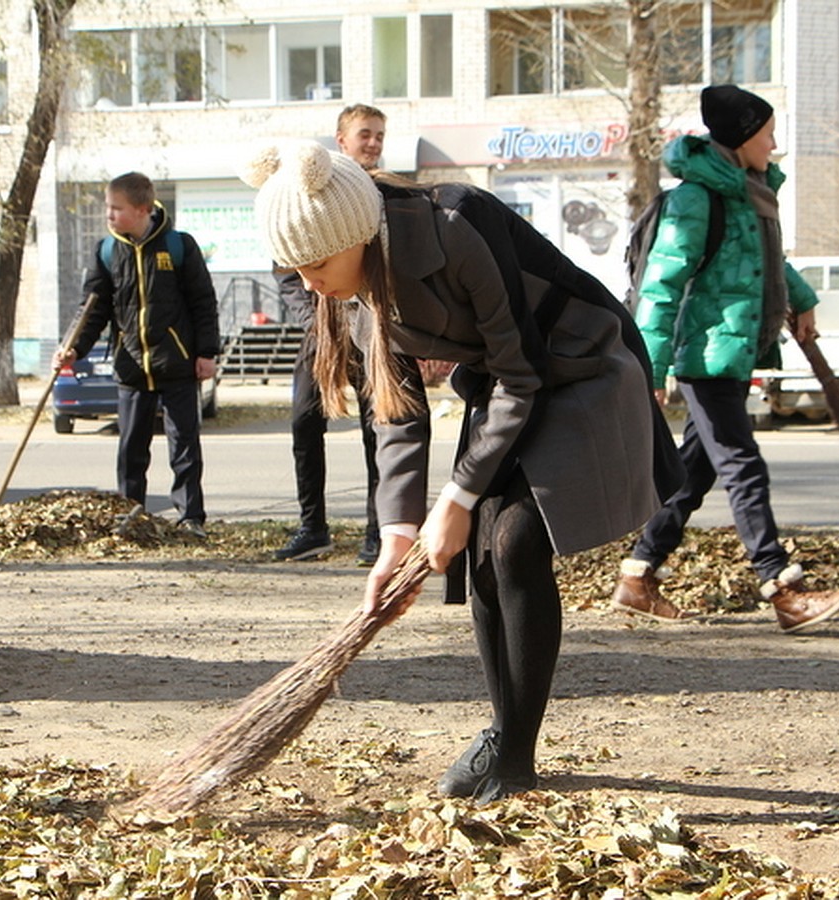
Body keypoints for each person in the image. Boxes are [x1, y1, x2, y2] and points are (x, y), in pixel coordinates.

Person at [240, 140, 682, 803]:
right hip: (513, 386)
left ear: (353, 233)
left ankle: (516, 754)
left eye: (316, 263)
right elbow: (396, 413)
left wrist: (460, 492)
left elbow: (520, 368)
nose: (309, 283)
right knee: (479, 552)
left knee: (513, 541)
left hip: (578, 363)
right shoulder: (355, 289)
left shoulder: (455, 223)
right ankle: (505, 736)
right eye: (293, 267)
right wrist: (397, 533)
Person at [611, 84, 839, 634]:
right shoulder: (697, 199)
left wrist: (803, 300)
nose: (774, 144)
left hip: (731, 350)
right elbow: (660, 287)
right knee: (743, 466)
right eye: (767, 134)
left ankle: (638, 574)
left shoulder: (748, 192)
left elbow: (766, 262)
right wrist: (653, 366)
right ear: (744, 137)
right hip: (705, 354)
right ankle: (782, 588)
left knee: (694, 473)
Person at [53, 172, 220, 538]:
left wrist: (207, 352)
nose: (109, 215)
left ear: (143, 209)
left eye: (117, 208)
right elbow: (92, 309)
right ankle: (131, 515)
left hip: (176, 364)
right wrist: (74, 348)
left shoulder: (179, 247)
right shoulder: (108, 251)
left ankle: (191, 517)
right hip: (131, 367)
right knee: (130, 449)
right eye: (108, 208)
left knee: (184, 447)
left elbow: (203, 302)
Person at [273, 103, 405, 564]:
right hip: (322, 328)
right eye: (365, 134)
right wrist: (315, 319)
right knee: (304, 423)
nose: (373, 143)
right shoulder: (313, 190)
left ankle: (378, 530)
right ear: (341, 140)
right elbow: (286, 263)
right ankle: (313, 527)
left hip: (376, 329)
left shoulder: (390, 191)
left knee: (382, 428)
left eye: (379, 135)